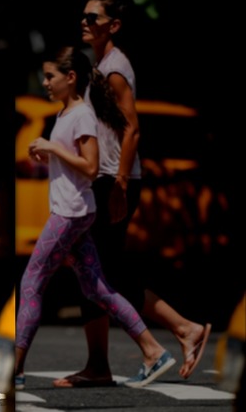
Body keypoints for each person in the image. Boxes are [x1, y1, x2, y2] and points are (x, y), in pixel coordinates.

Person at [52, 0, 210, 388]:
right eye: (83, 17)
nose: (85, 24)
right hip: (103, 180)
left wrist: (121, 182)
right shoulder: (100, 66)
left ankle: (182, 331)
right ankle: (102, 364)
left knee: (98, 273)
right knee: (98, 273)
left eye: (94, 19)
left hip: (113, 182)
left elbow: (133, 129)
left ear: (113, 26)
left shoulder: (116, 68)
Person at [14, 46, 174, 390]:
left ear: (71, 78)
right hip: (72, 209)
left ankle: (16, 367)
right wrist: (48, 156)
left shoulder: (83, 115)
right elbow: (74, 164)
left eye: (50, 76)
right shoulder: (66, 113)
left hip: (71, 213)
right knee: (96, 286)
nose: (45, 83)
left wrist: (53, 148)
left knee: (31, 280)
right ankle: (153, 350)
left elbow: (90, 166)